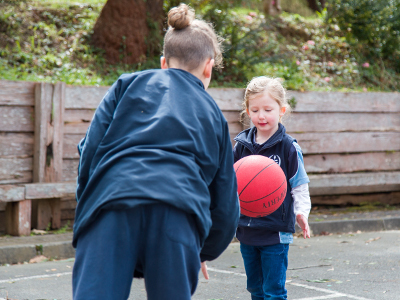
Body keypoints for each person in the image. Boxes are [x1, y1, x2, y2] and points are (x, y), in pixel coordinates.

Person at [72, 4, 240, 300]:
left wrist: (89, 208)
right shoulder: (213, 113)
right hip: (177, 212)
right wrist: (203, 248)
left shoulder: (126, 84)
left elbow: (90, 153)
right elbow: (225, 200)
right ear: (208, 66)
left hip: (111, 202)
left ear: (164, 62)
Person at [233, 76, 311, 300]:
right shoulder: (241, 146)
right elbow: (231, 184)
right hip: (247, 230)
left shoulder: (288, 147)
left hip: (276, 232)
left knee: (273, 292)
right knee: (255, 290)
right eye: (255, 110)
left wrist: (301, 212)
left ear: (282, 110)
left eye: (268, 109)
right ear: (248, 112)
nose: (261, 115)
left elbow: (299, 185)